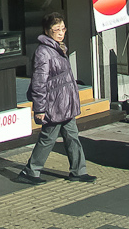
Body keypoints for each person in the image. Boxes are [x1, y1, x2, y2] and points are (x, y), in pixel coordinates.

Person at [18, 11, 95, 184]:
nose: (61, 32)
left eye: (63, 28)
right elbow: (39, 82)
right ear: (47, 30)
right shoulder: (43, 52)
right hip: (54, 105)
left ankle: (78, 170)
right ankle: (31, 171)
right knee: (47, 138)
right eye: (56, 29)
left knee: (72, 137)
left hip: (66, 103)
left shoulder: (59, 48)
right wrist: (39, 108)